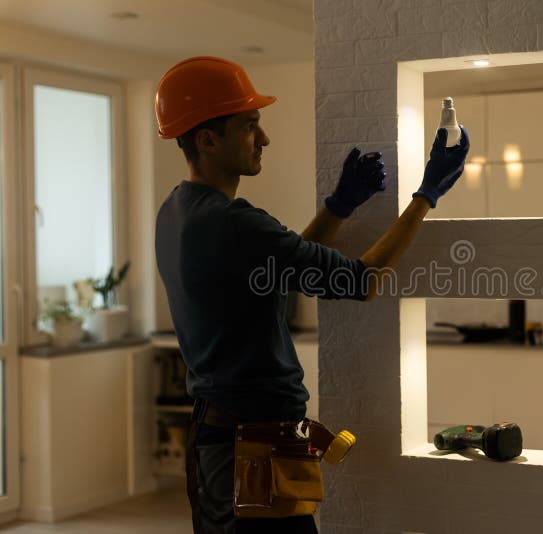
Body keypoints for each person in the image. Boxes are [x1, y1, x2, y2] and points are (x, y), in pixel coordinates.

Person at [154, 56, 469, 534]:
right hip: (254, 450)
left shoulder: (176, 211)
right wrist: (427, 194)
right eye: (250, 126)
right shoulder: (235, 222)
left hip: (218, 442)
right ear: (207, 138)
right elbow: (361, 282)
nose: (264, 138)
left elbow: (283, 268)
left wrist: (339, 208)